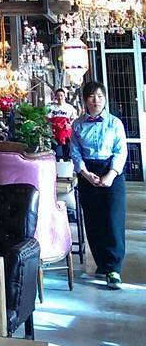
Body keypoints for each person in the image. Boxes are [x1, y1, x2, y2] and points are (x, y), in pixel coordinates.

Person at [69, 80, 127, 290]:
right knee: (93, 220)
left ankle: (114, 268)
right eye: (92, 96)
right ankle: (102, 263)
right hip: (88, 173)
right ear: (85, 100)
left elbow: (121, 151)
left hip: (111, 171)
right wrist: (85, 173)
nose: (96, 100)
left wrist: (111, 174)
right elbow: (75, 152)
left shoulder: (115, 123)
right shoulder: (77, 125)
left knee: (113, 219)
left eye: (100, 96)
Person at [48, 88, 78, 158]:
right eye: (58, 96)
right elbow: (47, 118)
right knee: (56, 152)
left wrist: (69, 124)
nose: (60, 97)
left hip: (66, 132)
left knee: (67, 151)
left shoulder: (69, 107)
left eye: (61, 95)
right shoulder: (52, 108)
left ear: (64, 96)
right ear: (56, 97)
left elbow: (74, 118)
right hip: (55, 133)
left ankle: (66, 160)